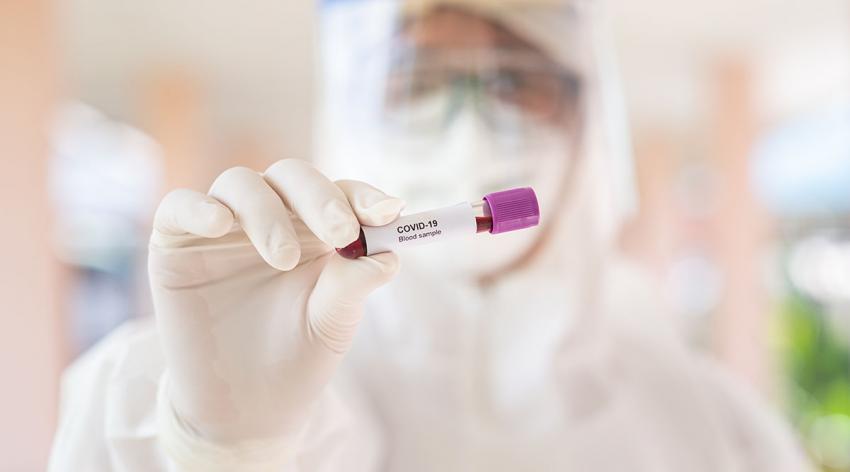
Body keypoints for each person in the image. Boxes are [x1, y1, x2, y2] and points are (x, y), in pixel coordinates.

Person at [49, 0, 814, 470]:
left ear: (588, 126)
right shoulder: (169, 391)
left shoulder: (712, 426)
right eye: (416, 83)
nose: (471, 127)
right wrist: (215, 450)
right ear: (348, 111)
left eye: (518, 81)